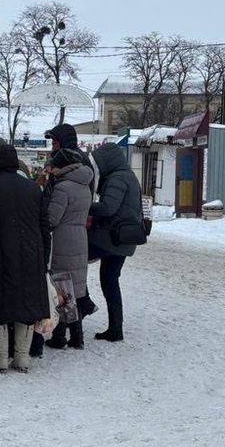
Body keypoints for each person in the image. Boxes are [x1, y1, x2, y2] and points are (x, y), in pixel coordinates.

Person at [0, 140, 50, 374]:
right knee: (27, 302)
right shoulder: (32, 187)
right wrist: (44, 258)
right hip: (32, 251)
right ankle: (22, 357)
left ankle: (0, 357)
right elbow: (44, 226)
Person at [87, 142, 144, 342]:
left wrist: (85, 206)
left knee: (73, 260)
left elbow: (108, 208)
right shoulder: (129, 176)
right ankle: (115, 328)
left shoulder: (117, 178)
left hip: (109, 239)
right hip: (123, 240)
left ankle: (83, 303)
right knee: (110, 281)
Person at [44, 146, 94, 350]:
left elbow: (52, 218)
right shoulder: (84, 185)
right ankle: (77, 336)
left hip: (63, 239)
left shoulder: (63, 188)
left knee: (61, 287)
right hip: (80, 238)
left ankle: (59, 337)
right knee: (74, 287)